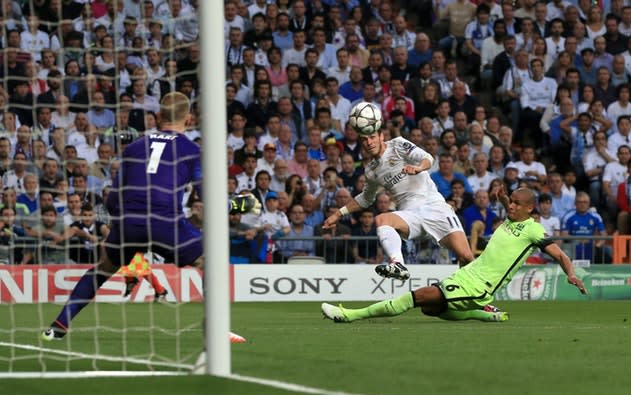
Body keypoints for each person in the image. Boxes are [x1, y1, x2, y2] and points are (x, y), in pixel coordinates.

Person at [41, 92, 256, 343]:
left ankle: (60, 324)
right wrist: (242, 204)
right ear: (188, 119)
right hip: (165, 221)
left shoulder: (133, 147)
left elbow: (111, 198)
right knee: (210, 261)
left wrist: (124, 227)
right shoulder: (191, 149)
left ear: (158, 117)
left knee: (102, 269)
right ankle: (218, 330)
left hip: (128, 222)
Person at [322, 187, 587, 323]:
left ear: (530, 208)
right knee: (430, 310)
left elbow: (560, 255)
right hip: (469, 274)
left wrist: (572, 274)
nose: (511, 207)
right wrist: (505, 198)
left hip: (480, 285)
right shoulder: (513, 216)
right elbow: (510, 205)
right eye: (511, 203)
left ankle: (350, 315)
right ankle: (483, 313)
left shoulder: (534, 230)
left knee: (419, 297)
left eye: (517, 204)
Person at [322, 103, 474, 281]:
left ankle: (480, 299)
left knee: (466, 258)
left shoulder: (398, 145)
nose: (369, 143)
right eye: (364, 140)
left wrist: (418, 168)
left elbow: (428, 158)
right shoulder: (371, 170)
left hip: (434, 206)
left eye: (372, 137)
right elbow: (365, 199)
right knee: (381, 219)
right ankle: (397, 263)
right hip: (410, 213)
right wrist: (339, 214)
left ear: (381, 136)